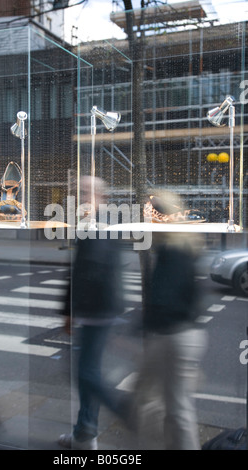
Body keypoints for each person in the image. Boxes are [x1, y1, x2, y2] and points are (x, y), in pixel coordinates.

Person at [58, 176, 127, 450]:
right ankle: (85, 434)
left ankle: (120, 413)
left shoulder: (97, 225)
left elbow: (88, 271)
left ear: (102, 197)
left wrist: (72, 311)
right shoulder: (96, 223)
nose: (83, 198)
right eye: (80, 193)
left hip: (95, 310)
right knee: (87, 371)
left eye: (88, 193)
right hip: (98, 310)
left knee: (86, 374)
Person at [136, 230, 208, 450]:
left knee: (175, 408)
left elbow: (163, 296)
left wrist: (141, 327)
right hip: (181, 334)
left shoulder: (172, 251)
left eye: (153, 213)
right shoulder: (182, 248)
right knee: (170, 404)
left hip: (173, 336)